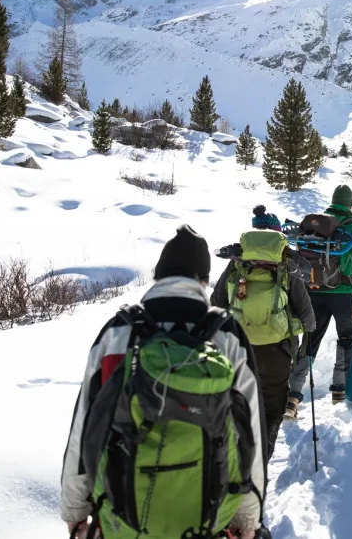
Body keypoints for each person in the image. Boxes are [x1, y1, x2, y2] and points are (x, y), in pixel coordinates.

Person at [60, 226, 267, 539]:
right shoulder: (227, 335)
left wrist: (77, 512)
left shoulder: (118, 332)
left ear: (159, 276)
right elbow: (249, 429)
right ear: (203, 280)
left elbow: (85, 425)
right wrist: (247, 520)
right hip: (205, 520)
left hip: (122, 518)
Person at [212, 207, 315, 457]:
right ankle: (261, 460)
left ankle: (233, 458)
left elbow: (215, 305)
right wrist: (303, 339)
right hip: (276, 350)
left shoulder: (237, 266)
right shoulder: (285, 266)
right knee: (271, 407)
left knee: (238, 400)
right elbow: (307, 315)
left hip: (239, 347)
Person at [286, 184, 352, 412]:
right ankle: (340, 390)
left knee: (309, 341)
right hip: (341, 294)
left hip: (311, 292)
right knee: (346, 338)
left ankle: (292, 396)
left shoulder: (312, 226)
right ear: (351, 206)